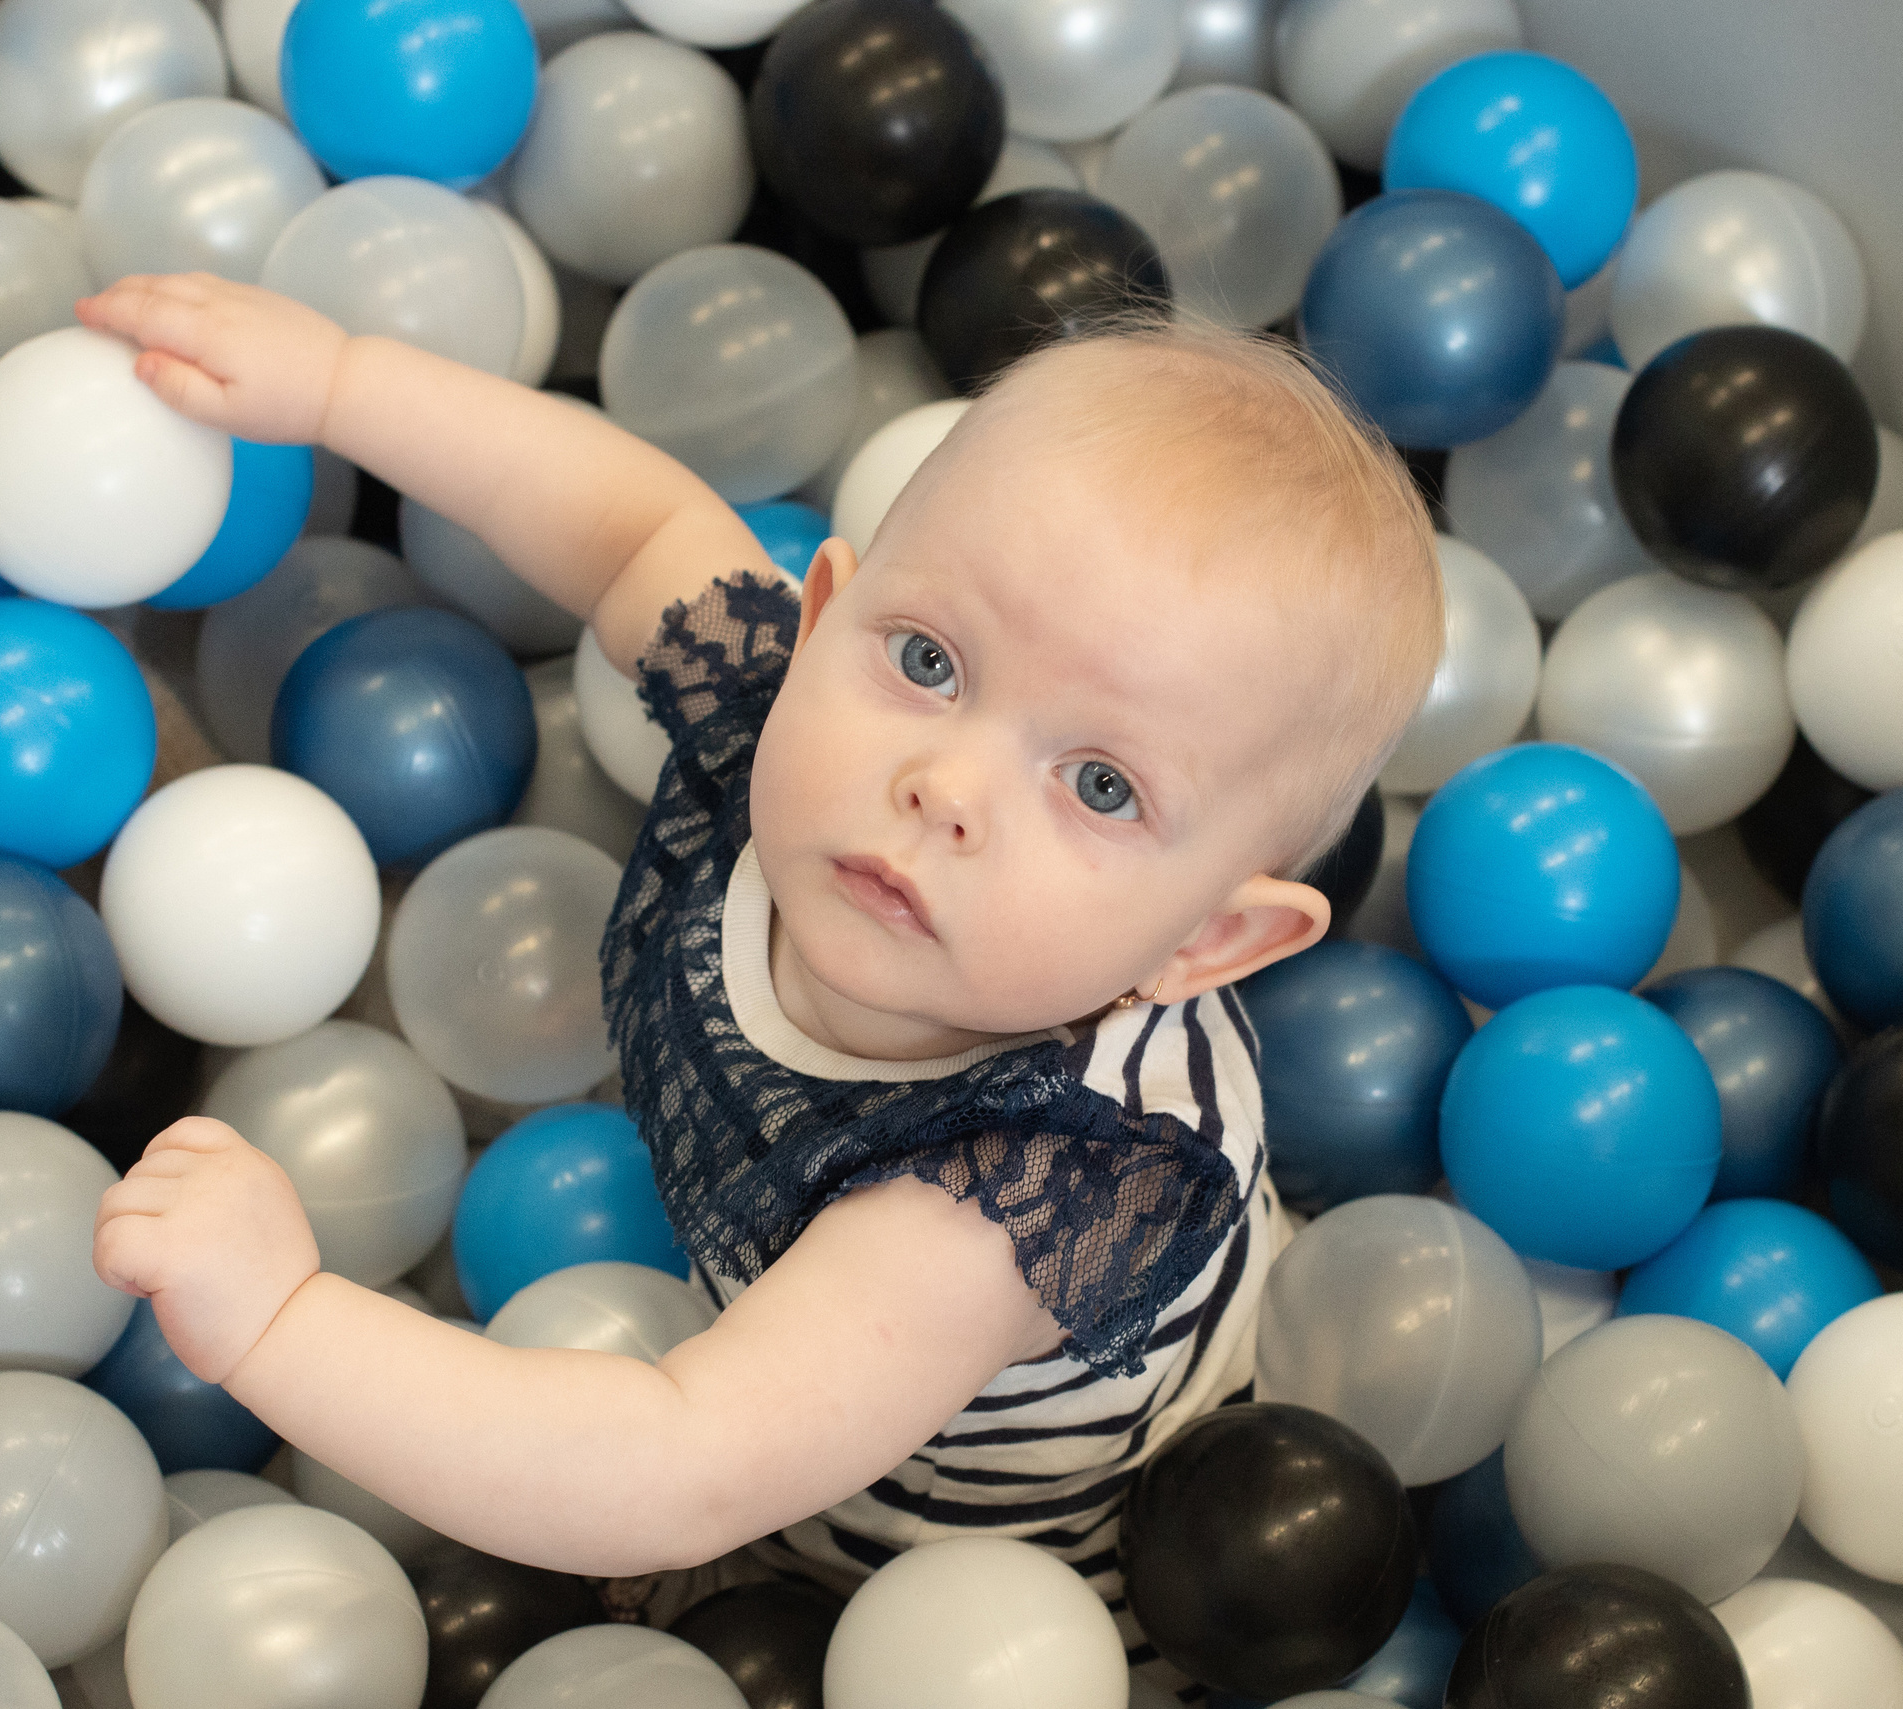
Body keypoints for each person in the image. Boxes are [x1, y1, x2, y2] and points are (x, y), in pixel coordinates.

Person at [78, 271, 1443, 1682]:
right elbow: (636, 530)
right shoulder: (782, 713)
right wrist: (345, 384)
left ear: (1203, 943)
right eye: (930, 658)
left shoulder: (1024, 1183)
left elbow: (684, 1461)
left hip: (1005, 1561)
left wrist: (283, 1322)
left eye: (1100, 784)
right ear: (829, 616)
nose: (947, 784)